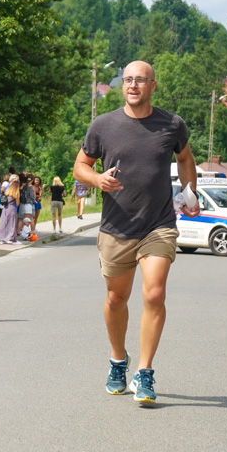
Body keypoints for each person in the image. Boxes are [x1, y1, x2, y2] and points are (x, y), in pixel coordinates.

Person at [73, 60, 199, 407]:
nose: (132, 85)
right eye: (128, 79)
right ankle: (118, 359)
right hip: (117, 226)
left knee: (155, 294)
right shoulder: (104, 125)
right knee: (116, 299)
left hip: (158, 224)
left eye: (140, 80)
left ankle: (144, 372)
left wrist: (190, 191)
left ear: (152, 86)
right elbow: (80, 166)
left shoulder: (172, 124)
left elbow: (186, 158)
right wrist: (97, 179)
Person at [0, 176, 21, 244]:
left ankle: (3, 238)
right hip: (12, 209)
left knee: (4, 223)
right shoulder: (16, 192)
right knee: (12, 224)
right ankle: (12, 239)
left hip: (5, 208)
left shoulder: (7, 190)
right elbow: (17, 203)